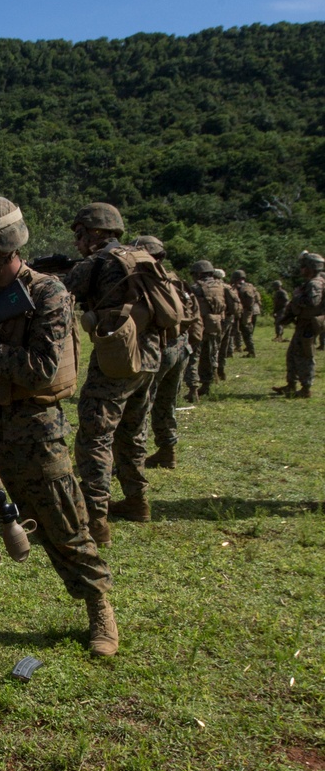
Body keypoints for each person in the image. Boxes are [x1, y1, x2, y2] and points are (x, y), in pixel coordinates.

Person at [0, 196, 117, 655]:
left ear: (3, 249)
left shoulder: (47, 293)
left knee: (64, 523)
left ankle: (99, 606)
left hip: (32, 430)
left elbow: (43, 369)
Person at [63, 202, 163, 536]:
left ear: (96, 233)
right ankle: (137, 501)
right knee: (132, 432)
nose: (77, 242)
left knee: (94, 436)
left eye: (79, 234)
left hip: (118, 358)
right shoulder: (139, 257)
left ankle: (94, 516)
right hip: (149, 357)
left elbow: (60, 296)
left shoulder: (99, 261)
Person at [130, 236, 200, 470]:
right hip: (181, 346)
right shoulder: (174, 279)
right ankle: (167, 450)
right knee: (167, 402)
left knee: (141, 405)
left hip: (160, 349)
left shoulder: (145, 280)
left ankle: (133, 458)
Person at [273, 251, 325, 398]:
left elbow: (312, 302)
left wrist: (297, 298)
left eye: (303, 266)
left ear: (311, 267)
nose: (301, 269)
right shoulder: (314, 282)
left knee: (305, 355)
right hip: (304, 324)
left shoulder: (315, 283)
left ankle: (306, 388)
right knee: (292, 355)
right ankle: (291, 385)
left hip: (308, 325)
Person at [190, 260, 227, 397]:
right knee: (211, 354)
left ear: (199, 273)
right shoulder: (220, 286)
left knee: (193, 356)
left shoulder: (196, 287)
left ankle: (192, 388)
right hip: (216, 324)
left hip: (198, 324)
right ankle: (207, 384)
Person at [214, 269, 240, 378]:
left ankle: (214, 371)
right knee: (224, 345)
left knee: (215, 345)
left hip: (219, 319)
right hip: (230, 318)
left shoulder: (216, 287)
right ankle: (221, 369)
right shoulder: (228, 287)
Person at [232, 269, 261, 357]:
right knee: (248, 331)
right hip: (253, 311)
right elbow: (257, 298)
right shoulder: (250, 286)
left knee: (245, 332)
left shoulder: (239, 287)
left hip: (244, 312)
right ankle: (250, 349)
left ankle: (251, 351)